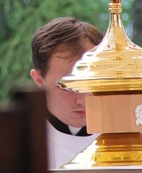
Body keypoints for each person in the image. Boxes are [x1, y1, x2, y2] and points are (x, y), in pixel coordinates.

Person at [29, 16, 103, 169]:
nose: (83, 100)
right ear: (39, 80)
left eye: (92, 84)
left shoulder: (126, 143)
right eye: (67, 87)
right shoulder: (19, 146)